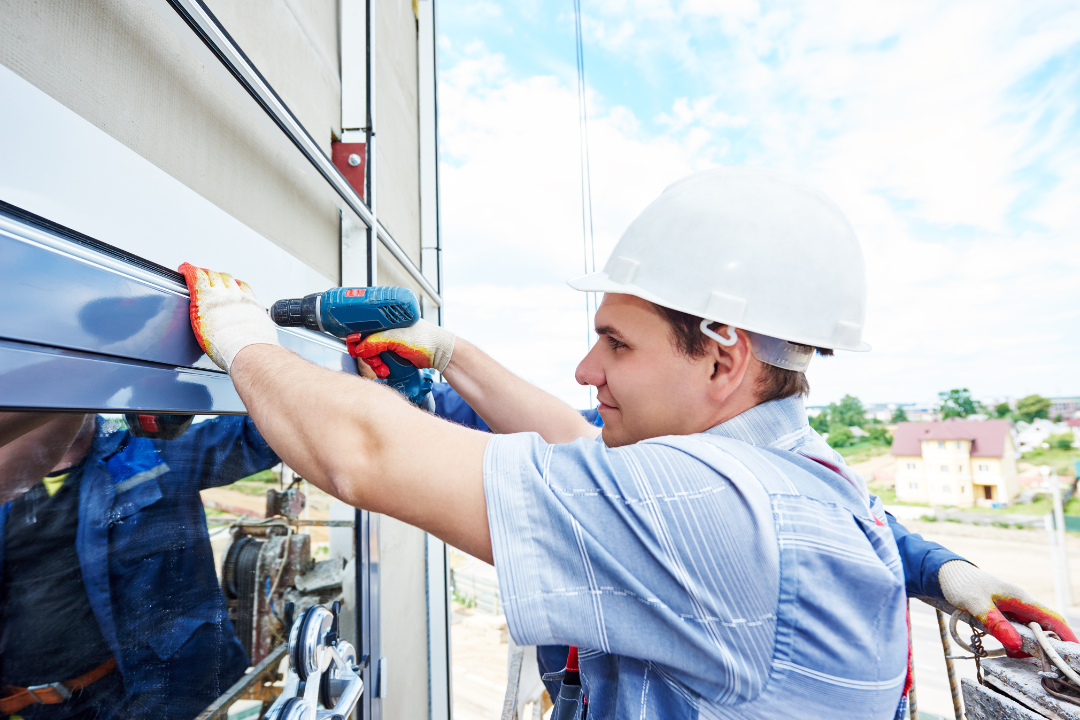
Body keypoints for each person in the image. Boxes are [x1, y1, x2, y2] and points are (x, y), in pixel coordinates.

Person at [178, 167, 1074, 719]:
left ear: (723, 356)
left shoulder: (711, 511)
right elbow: (580, 442)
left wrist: (243, 332)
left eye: (617, 342)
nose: (585, 367)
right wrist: (453, 354)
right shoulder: (799, 470)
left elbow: (362, 456)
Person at [0, 412, 279, 719]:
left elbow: (266, 434)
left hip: (137, 701)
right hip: (22, 706)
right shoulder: (6, 478)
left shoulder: (154, 452)